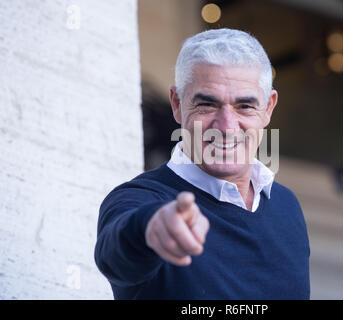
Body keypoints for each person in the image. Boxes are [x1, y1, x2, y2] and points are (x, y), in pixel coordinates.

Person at [94, 28, 310, 299]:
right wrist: (149, 229)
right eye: (207, 104)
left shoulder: (286, 205)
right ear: (177, 104)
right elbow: (116, 252)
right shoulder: (141, 199)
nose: (226, 127)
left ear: (268, 108)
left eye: (244, 106)